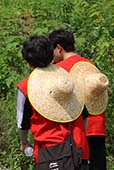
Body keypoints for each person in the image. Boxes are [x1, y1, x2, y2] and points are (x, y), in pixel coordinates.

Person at [17, 35, 87, 169]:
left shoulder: (26, 86)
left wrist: (24, 142)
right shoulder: (67, 79)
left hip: (50, 152)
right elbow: (83, 114)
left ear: (29, 62)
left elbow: (22, 123)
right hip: (78, 150)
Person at [50, 29, 108, 170]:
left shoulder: (59, 69)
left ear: (59, 48)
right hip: (98, 126)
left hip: (78, 130)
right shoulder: (90, 65)